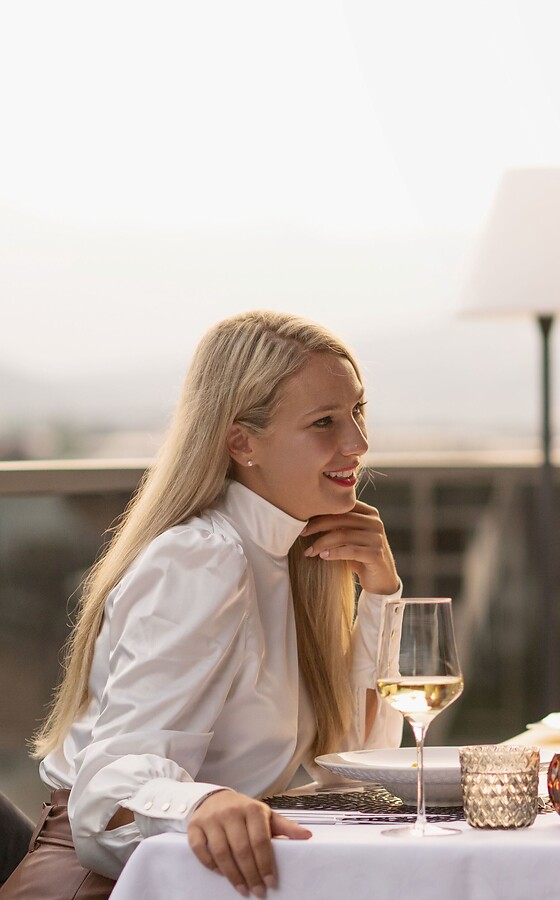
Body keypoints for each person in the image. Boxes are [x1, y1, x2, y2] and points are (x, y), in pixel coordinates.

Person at [1, 311, 402, 900]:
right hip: (106, 884)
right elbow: (104, 792)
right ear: (241, 442)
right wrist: (203, 803)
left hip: (202, 878)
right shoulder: (203, 559)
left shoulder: (299, 554)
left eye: (357, 412)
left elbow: (356, 763)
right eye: (324, 422)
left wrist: (383, 596)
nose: (358, 444)